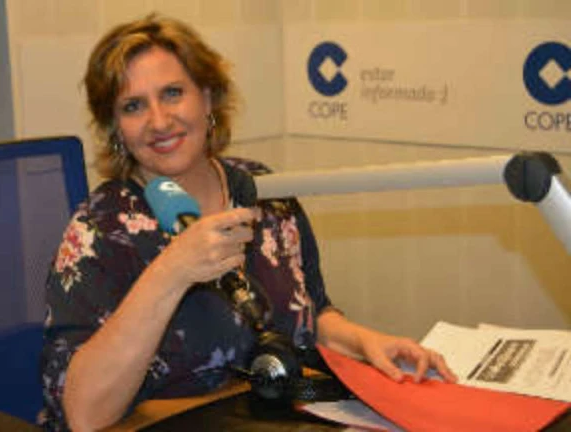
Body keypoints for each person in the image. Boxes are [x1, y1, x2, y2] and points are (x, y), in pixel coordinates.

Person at [40, 13, 456, 432]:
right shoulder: (100, 228)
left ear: (207, 98)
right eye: (133, 106)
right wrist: (171, 272)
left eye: (172, 93)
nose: (159, 120)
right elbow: (85, 415)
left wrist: (367, 343)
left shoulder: (264, 191)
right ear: (116, 128)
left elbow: (310, 316)